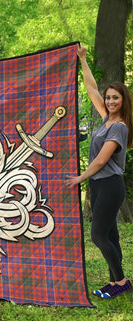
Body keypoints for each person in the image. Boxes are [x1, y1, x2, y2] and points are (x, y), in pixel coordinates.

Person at [66, 45, 132, 299]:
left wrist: (81, 177)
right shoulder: (106, 119)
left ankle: (121, 281)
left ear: (123, 100)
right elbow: (92, 89)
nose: (110, 101)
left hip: (109, 185)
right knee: (111, 235)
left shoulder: (120, 127)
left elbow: (103, 159)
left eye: (116, 98)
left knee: (97, 235)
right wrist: (83, 59)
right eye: (109, 98)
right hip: (99, 185)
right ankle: (116, 281)